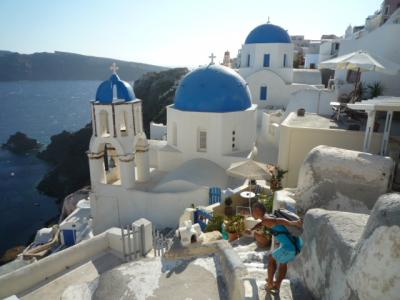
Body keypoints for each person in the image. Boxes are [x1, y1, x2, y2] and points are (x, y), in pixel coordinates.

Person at [248, 202, 303, 294]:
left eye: (253, 211)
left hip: (289, 248)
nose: (252, 213)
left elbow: (279, 221)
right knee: (283, 262)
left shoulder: (266, 219)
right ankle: (277, 285)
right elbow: (262, 224)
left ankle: (270, 284)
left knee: (271, 259)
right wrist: (251, 229)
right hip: (295, 245)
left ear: (257, 210)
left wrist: (293, 223)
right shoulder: (267, 217)